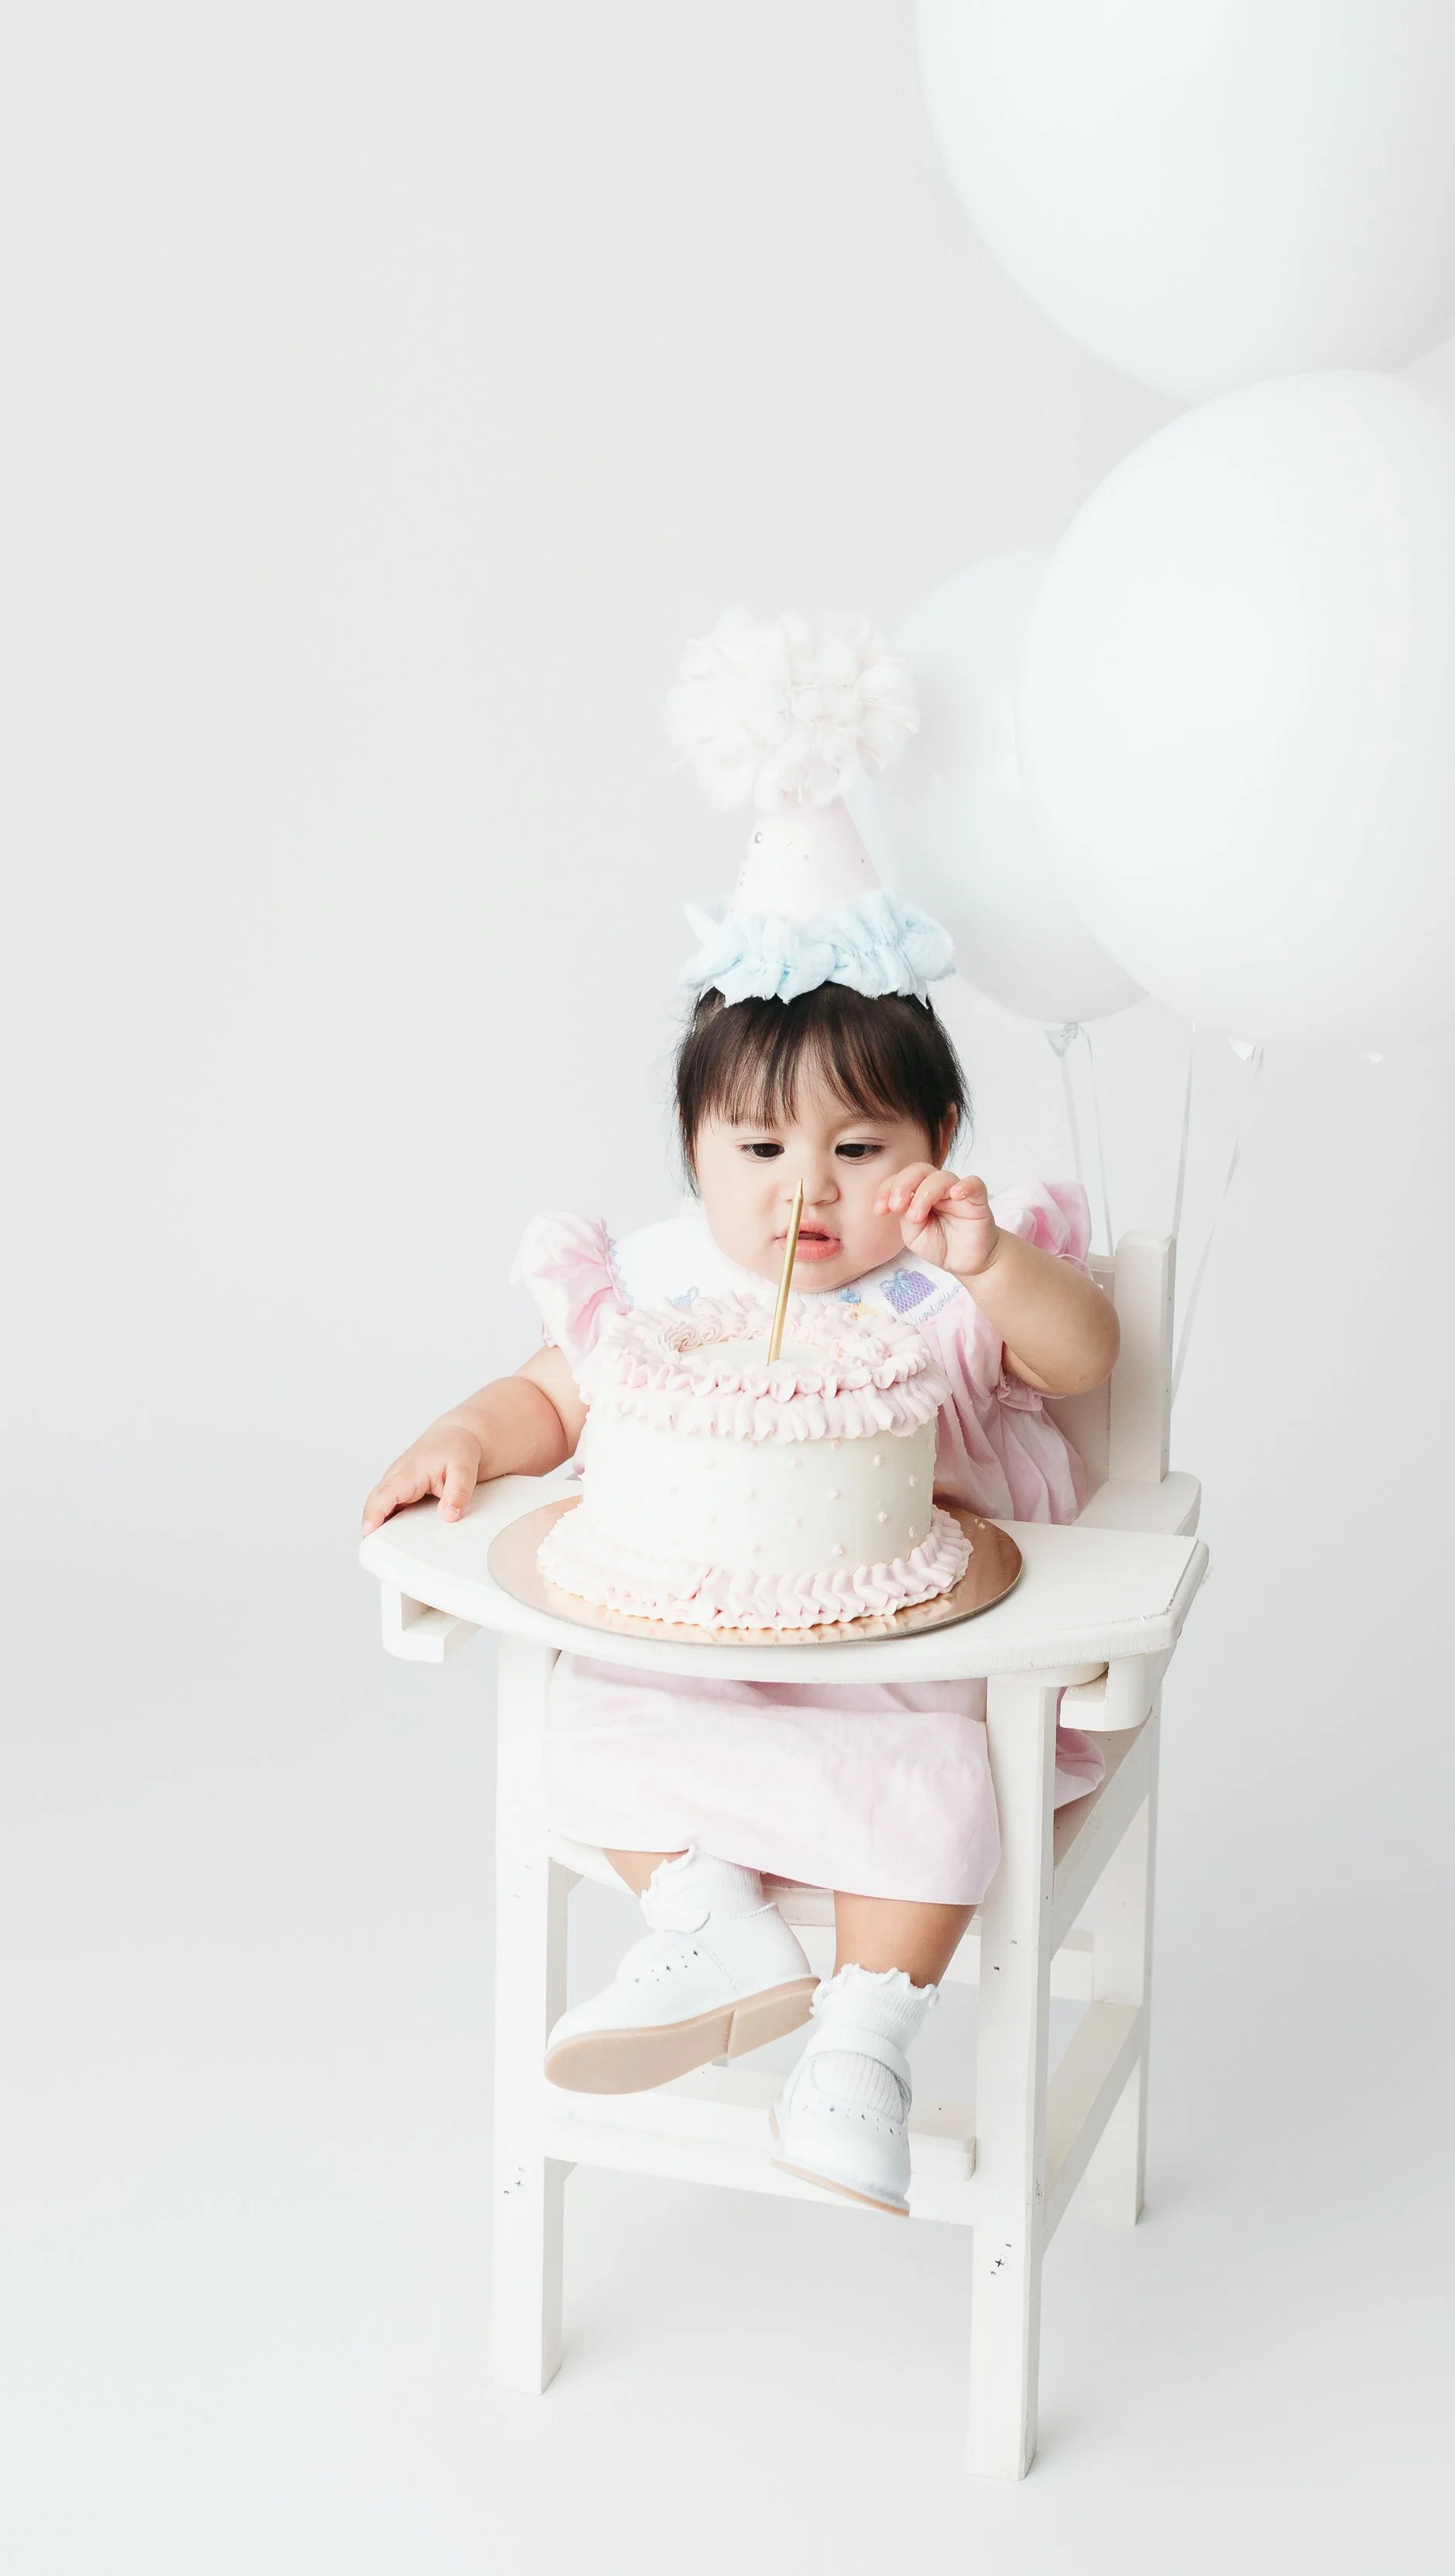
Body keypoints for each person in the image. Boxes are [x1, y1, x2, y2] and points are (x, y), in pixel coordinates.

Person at [364, 608, 1119, 2215]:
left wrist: (992, 1270)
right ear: (695, 1158)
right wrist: (463, 1437)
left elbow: (1077, 1362)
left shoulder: (941, 1287)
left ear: (933, 1142)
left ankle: (860, 2038)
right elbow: (552, 1394)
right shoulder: (663, 1294)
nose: (807, 1196)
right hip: (701, 1647)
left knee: (941, 1787)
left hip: (905, 1661)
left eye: (857, 1150)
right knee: (584, 1725)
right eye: (759, 1153)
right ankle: (707, 1914)